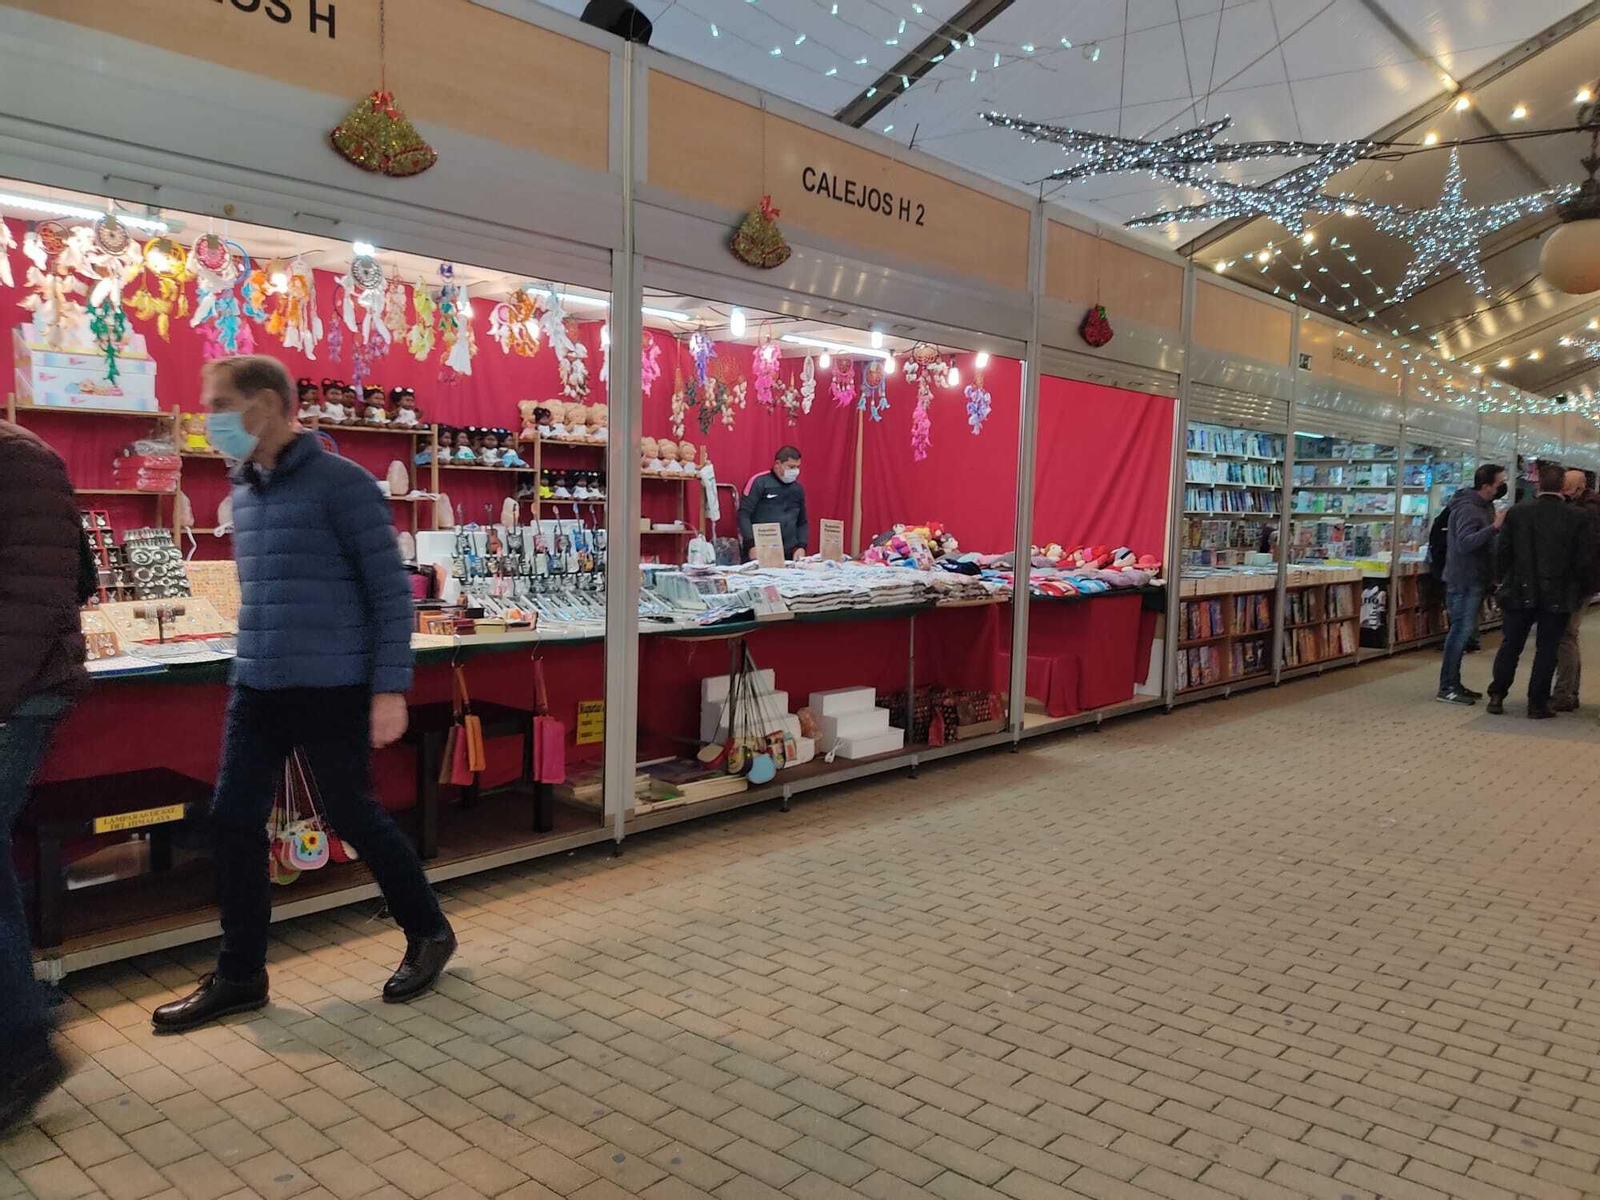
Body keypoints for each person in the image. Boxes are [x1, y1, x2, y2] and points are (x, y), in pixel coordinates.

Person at [153, 356, 454, 1034]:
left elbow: (390, 593)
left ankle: (429, 930)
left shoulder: (344, 484)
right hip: (258, 683)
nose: (210, 419)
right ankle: (241, 976)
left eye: (219, 404)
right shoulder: (245, 490)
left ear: (264, 404)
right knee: (233, 820)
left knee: (353, 814)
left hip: (332, 683)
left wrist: (390, 688)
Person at [0, 419, 87, 1130]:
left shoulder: (19, 460)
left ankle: (23, 1043)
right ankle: (22, 1028)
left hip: (17, 697)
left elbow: (36, 602)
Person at [1486, 461, 1593, 718]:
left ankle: (1497, 694)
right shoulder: (1577, 517)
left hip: (1518, 589)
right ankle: (1537, 703)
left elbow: (1503, 551)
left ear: (1538, 485)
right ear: (1563, 487)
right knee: (1547, 649)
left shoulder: (1517, 512)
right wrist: (1581, 590)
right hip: (1558, 593)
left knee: (1511, 645)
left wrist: (1500, 580)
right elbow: (1583, 559)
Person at [1436, 463, 1507, 704]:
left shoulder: (1485, 506)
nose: (1503, 487)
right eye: (1499, 483)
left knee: (1464, 632)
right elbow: (1465, 543)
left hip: (1475, 579)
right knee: (1459, 632)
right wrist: (1494, 527)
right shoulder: (1468, 508)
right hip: (1464, 580)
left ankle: (1454, 683)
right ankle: (1447, 686)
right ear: (1486, 486)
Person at [1552, 468, 1600, 710]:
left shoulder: (1587, 512)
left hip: (1578, 584)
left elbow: (1584, 553)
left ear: (1580, 487)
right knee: (1569, 635)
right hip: (1585, 583)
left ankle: (1564, 694)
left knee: (1566, 636)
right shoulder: (1589, 507)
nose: (1563, 490)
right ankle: (1570, 692)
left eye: (1567, 486)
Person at [739, 444, 809, 562]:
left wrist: (801, 546)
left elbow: (802, 522)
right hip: (760, 552)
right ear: (777, 464)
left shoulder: (798, 489)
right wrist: (751, 545)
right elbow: (743, 515)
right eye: (791, 467)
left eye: (797, 467)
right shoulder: (759, 482)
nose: (795, 471)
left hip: (789, 555)